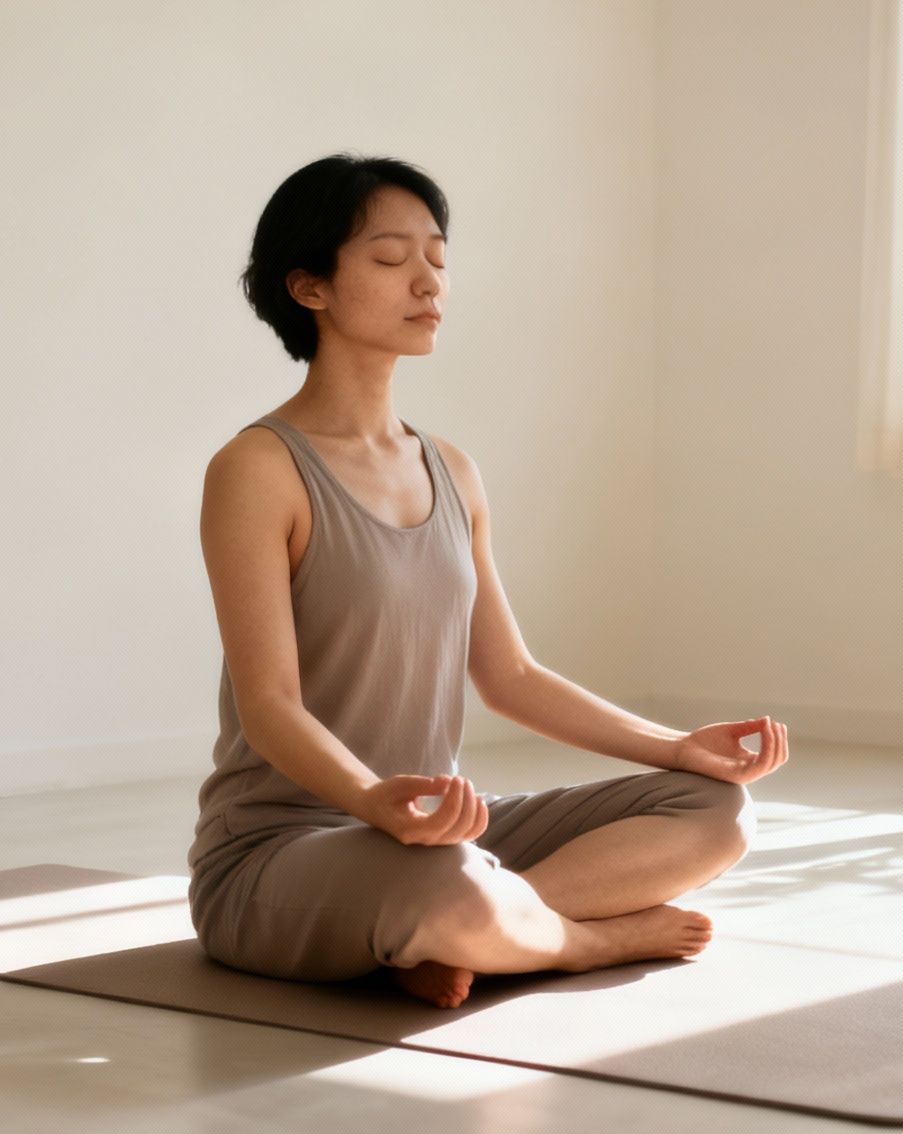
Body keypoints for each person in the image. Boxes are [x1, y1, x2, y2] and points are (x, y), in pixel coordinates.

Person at [187, 152, 790, 1009]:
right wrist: (371, 799)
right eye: (392, 260)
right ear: (310, 287)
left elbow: (509, 676)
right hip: (284, 851)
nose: (428, 281)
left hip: (443, 832)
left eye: (437, 257)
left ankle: (470, 936)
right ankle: (572, 942)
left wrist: (675, 748)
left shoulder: (453, 470)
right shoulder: (256, 468)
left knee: (717, 809)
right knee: (447, 883)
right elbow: (270, 706)